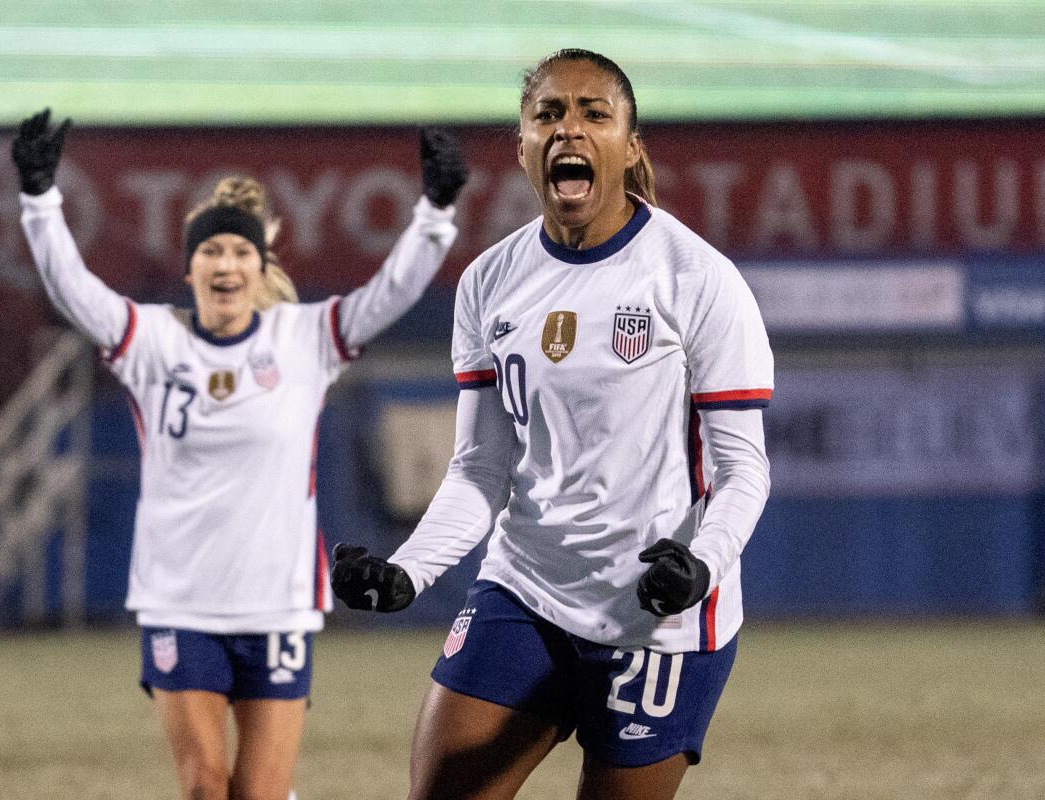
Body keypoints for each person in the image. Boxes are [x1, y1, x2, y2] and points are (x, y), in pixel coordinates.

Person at [331, 49, 772, 800]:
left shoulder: (697, 278)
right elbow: (480, 470)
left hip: (656, 616)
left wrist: (700, 567)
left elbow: (743, 472)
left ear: (630, 147)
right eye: (549, 114)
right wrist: (409, 571)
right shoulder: (489, 282)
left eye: (594, 114)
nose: (570, 129)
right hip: (525, 590)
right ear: (523, 146)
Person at [12, 109, 467, 800]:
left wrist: (435, 212)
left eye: (239, 254)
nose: (225, 264)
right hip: (179, 601)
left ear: (260, 268)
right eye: (211, 253)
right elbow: (74, 289)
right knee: (202, 787)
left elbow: (392, 292)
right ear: (191, 267)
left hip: (277, 604)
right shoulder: (151, 341)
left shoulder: (304, 338)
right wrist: (40, 199)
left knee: (258, 792)